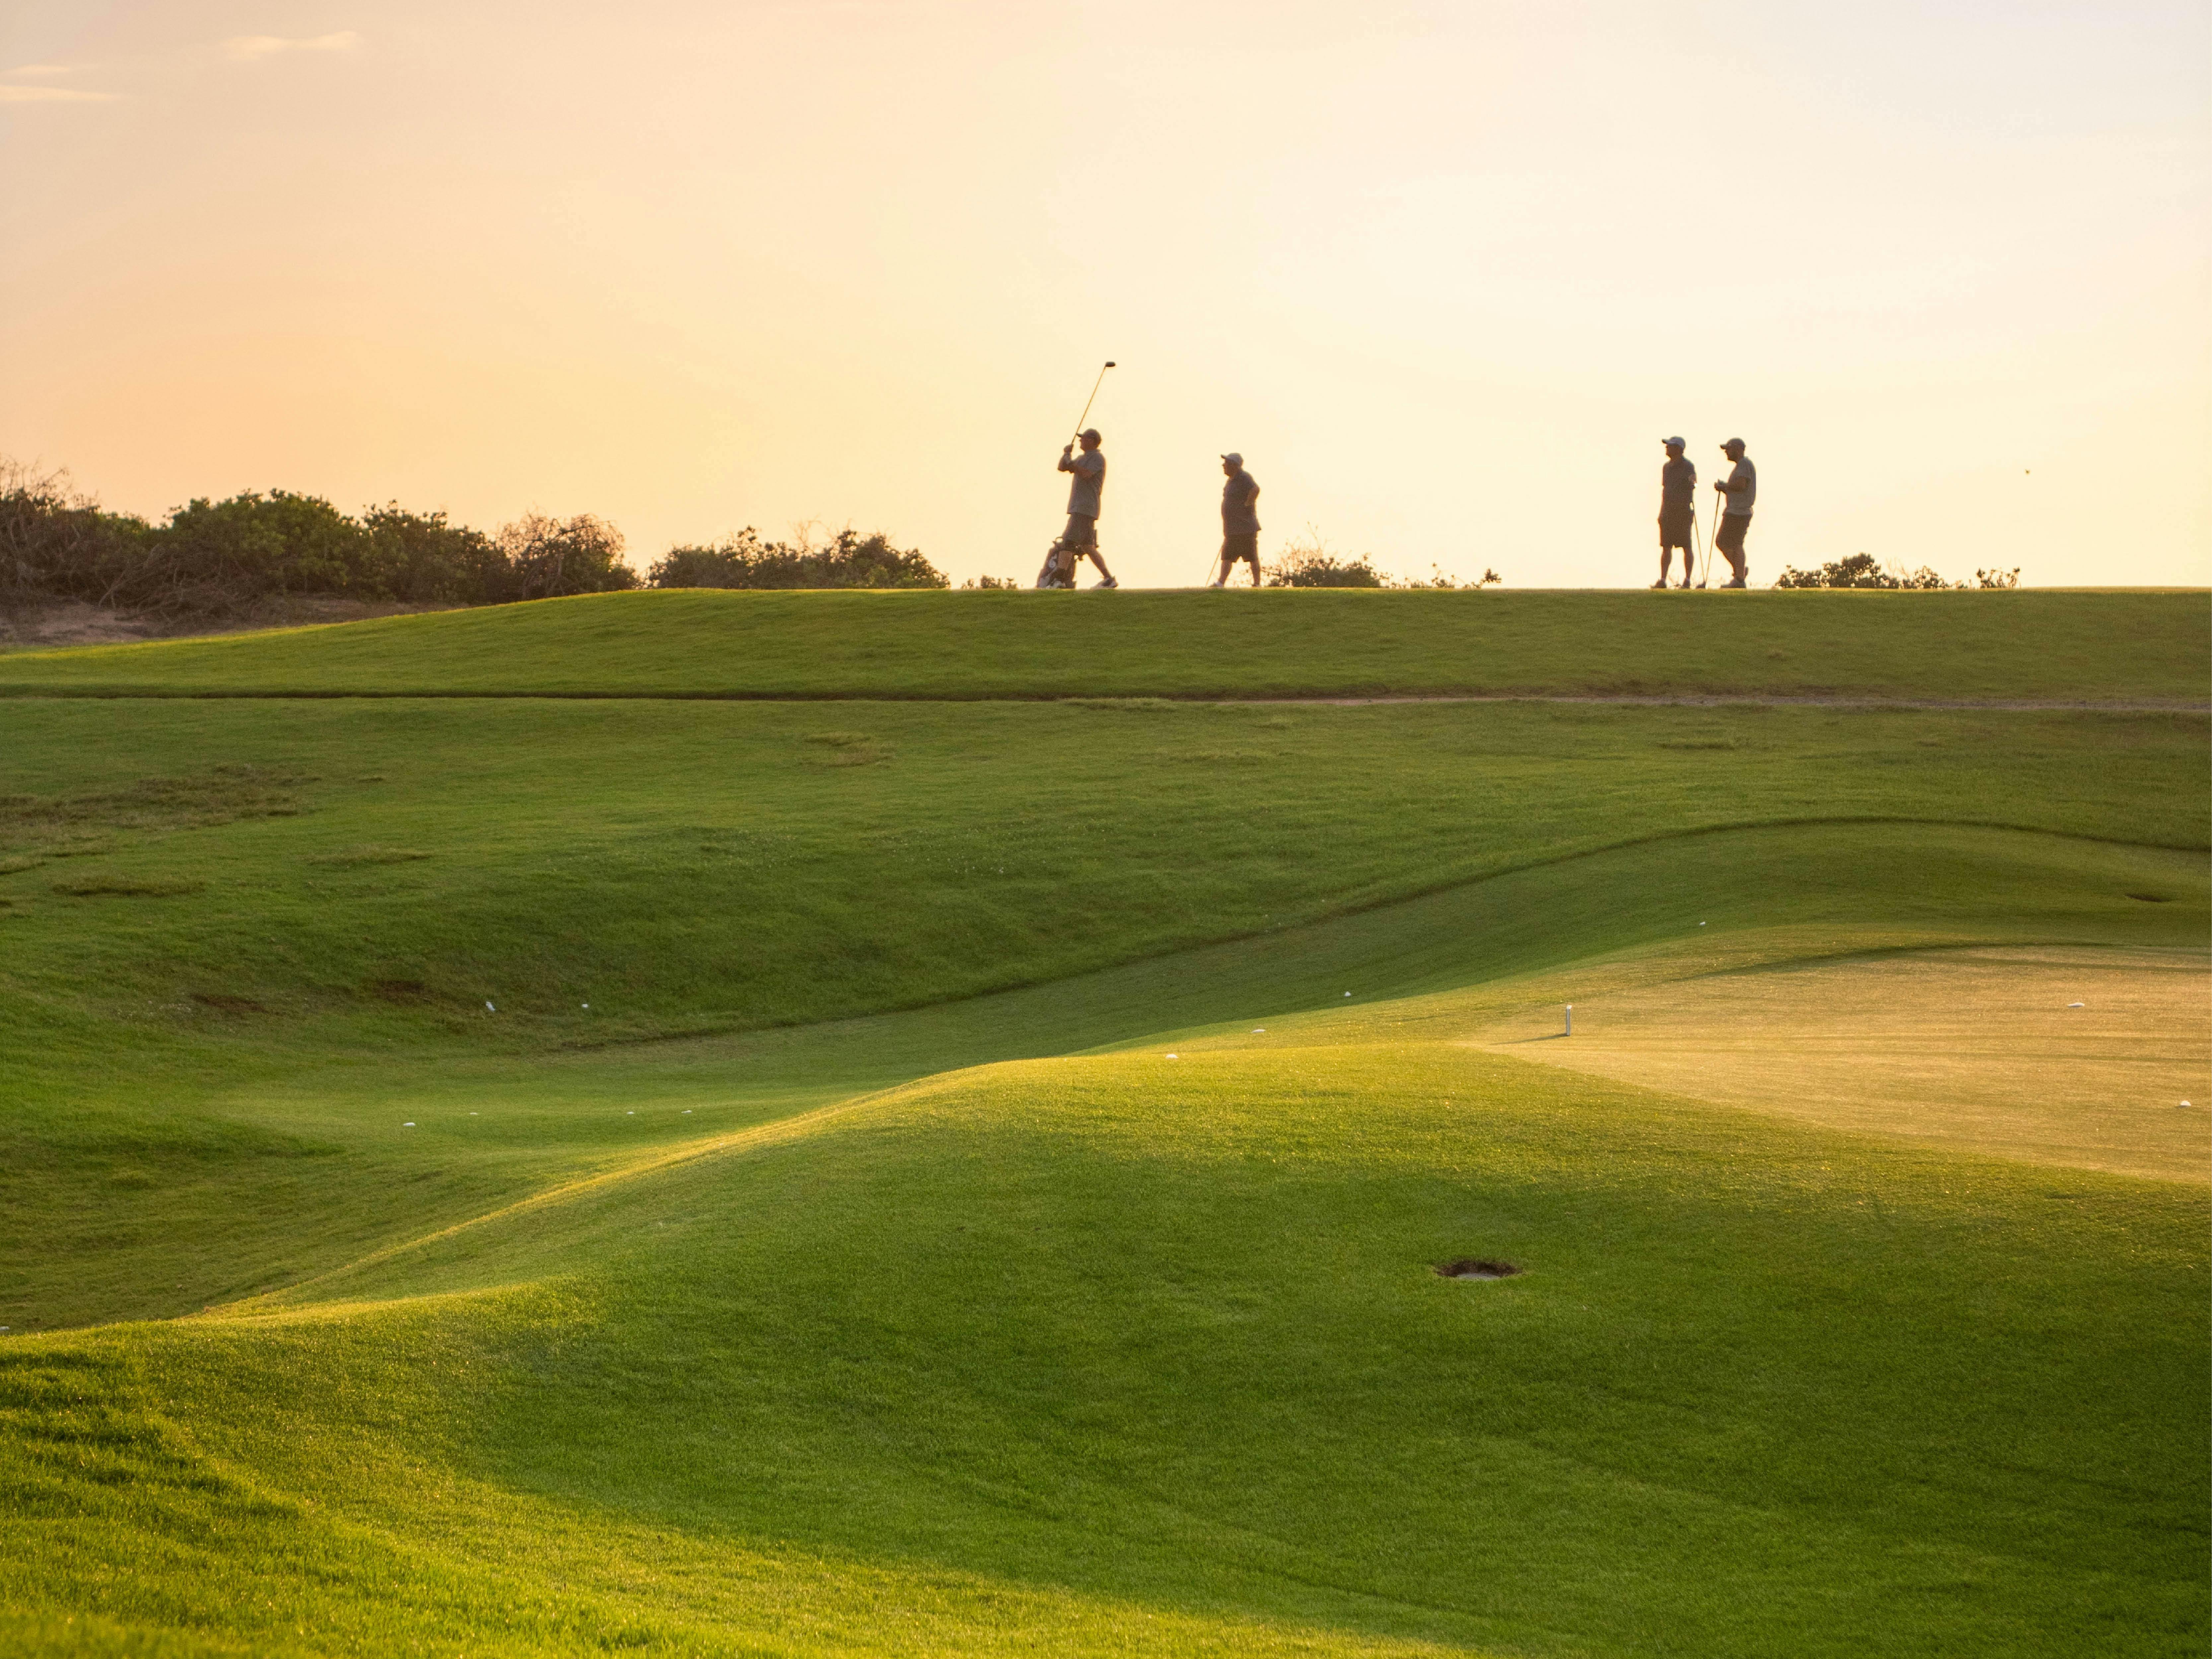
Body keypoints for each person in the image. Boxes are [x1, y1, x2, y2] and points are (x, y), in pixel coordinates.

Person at [1051, 428, 1117, 589]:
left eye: (1084, 439)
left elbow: (1087, 474)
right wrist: (1066, 455)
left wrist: (1072, 463)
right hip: (1081, 507)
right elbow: (1062, 467)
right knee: (1088, 546)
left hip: (1085, 507)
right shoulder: (1082, 458)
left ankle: (1059, 580)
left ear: (1092, 441)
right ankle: (1109, 579)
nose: (1080, 441)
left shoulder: (1097, 458)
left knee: (1068, 542)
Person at [1212, 452, 1261, 587]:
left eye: (1227, 463)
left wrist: (1248, 504)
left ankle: (1257, 584)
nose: (1224, 466)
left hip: (1245, 527)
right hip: (1232, 528)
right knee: (1227, 556)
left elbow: (1255, 489)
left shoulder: (1244, 477)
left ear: (1234, 465)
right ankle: (1221, 583)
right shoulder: (1230, 481)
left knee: (1252, 557)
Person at [1712, 437, 1756, 588]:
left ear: (1737, 449)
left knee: (1729, 543)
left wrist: (1725, 486)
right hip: (1738, 511)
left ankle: (1740, 576)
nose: (1726, 452)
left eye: (1728, 449)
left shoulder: (1744, 464)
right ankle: (1740, 573)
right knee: (1731, 543)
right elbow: (1738, 488)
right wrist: (1726, 488)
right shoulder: (1742, 465)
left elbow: (1741, 485)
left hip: (1738, 512)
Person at [1655, 437, 1696, 589]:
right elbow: (1665, 490)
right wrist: (1661, 512)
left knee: (1687, 546)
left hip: (1683, 511)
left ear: (1679, 449)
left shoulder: (1688, 466)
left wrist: (1691, 485)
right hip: (1668, 511)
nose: (1667, 448)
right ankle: (1663, 579)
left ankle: (1688, 580)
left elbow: (1692, 484)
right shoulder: (1666, 467)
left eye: (1670, 446)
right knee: (1666, 547)